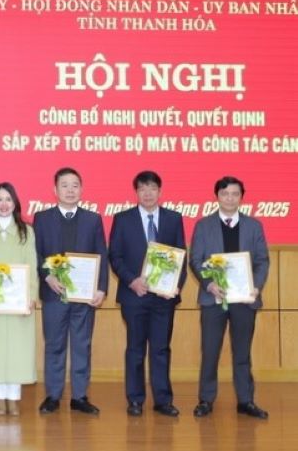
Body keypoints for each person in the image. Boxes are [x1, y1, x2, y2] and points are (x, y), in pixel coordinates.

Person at [190, 175, 270, 419]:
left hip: (245, 300)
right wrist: (209, 283)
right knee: (210, 351)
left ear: (241, 197)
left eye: (235, 194)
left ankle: (246, 400)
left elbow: (262, 260)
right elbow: (195, 259)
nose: (230, 198)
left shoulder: (254, 225)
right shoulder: (204, 225)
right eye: (225, 194)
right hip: (213, 298)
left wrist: (255, 287)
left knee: (243, 352)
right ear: (217, 196)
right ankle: (206, 400)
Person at [109, 170, 185, 418]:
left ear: (160, 191)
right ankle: (135, 400)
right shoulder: (122, 219)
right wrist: (132, 281)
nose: (148, 193)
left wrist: (174, 286)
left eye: (152, 188)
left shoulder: (174, 219)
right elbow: (115, 256)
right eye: (143, 188)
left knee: (161, 349)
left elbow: (180, 257)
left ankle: (163, 400)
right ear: (136, 192)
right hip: (135, 296)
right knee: (135, 348)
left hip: (164, 298)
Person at [33, 167, 108, 415]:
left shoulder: (93, 219)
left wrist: (101, 289)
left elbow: (101, 255)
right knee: (54, 345)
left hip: (84, 296)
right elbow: (37, 255)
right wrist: (47, 276)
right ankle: (53, 396)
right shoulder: (42, 219)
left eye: (75, 185)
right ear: (55, 190)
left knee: (81, 345)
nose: (70, 190)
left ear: (81, 189)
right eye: (64, 185)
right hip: (54, 294)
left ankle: (79, 396)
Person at [0, 182, 37, 417]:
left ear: (15, 204)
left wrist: (31, 296)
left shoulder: (26, 231)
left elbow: (31, 265)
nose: (3, 204)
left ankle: (14, 399)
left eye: (8, 200)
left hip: (19, 302)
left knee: (18, 350)